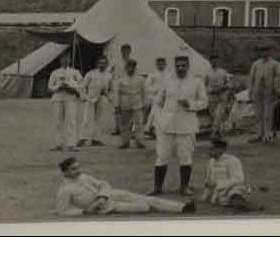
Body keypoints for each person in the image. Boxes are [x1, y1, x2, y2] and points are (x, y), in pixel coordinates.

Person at [55, 157, 194, 216]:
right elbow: (62, 210)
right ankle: (173, 209)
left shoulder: (83, 176)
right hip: (108, 207)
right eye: (73, 169)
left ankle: (182, 208)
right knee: (144, 207)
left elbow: (103, 183)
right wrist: (85, 212)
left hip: (111, 195)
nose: (78, 171)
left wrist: (102, 196)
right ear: (65, 172)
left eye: (78, 167)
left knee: (146, 199)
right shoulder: (65, 190)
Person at [150, 55, 208, 196]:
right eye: (178, 66)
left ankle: (184, 187)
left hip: (186, 125)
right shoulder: (167, 81)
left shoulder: (196, 82)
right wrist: (158, 120)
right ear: (174, 66)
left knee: (185, 156)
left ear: (188, 66)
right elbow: (157, 103)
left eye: (183, 65)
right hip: (166, 126)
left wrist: (190, 104)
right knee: (162, 156)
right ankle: (157, 188)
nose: (180, 68)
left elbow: (204, 102)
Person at [202, 138, 261, 211]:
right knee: (224, 201)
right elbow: (209, 181)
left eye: (211, 149)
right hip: (218, 192)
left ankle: (245, 205)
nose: (208, 152)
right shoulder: (210, 162)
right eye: (208, 150)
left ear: (221, 149)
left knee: (235, 196)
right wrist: (206, 194)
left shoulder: (232, 160)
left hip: (232, 188)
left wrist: (223, 187)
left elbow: (239, 179)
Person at [48, 52, 83, 151]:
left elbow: (82, 85)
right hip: (58, 98)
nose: (65, 60)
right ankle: (57, 143)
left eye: (67, 58)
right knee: (57, 121)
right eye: (63, 59)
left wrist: (71, 87)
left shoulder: (75, 72)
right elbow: (50, 87)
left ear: (70, 60)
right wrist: (59, 87)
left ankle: (71, 144)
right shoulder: (55, 73)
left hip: (70, 98)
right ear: (60, 60)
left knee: (71, 121)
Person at [247, 47, 280, 143]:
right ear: (260, 52)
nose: (264, 53)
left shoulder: (274, 64)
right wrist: (250, 92)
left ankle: (267, 135)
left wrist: (277, 90)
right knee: (258, 114)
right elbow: (251, 78)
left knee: (268, 114)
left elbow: (277, 78)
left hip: (269, 92)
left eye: (267, 51)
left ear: (270, 51)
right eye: (262, 51)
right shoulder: (256, 64)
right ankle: (259, 134)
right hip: (257, 92)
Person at [78, 56, 113, 147]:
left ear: (106, 64)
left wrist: (108, 97)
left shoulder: (109, 75)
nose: (102, 65)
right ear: (97, 64)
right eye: (100, 63)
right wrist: (84, 97)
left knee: (99, 119)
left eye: (104, 63)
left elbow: (111, 88)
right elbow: (83, 86)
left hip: (102, 98)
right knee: (87, 118)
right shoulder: (91, 74)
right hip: (91, 98)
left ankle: (96, 139)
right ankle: (82, 138)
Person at [112, 59, 147, 149]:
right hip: (125, 101)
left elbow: (144, 92)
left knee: (139, 123)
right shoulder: (120, 80)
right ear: (126, 68)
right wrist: (116, 105)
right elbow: (117, 93)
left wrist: (145, 104)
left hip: (137, 101)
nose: (130, 69)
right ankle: (125, 141)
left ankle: (139, 141)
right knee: (125, 123)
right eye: (129, 67)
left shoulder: (140, 79)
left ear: (135, 68)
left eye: (132, 67)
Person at [204, 54, 232, 139]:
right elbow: (204, 85)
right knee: (213, 115)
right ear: (210, 62)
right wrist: (210, 91)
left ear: (218, 61)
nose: (214, 62)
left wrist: (225, 88)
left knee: (218, 115)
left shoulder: (223, 72)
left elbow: (229, 83)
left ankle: (213, 134)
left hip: (221, 97)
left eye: (216, 60)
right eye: (212, 61)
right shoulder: (207, 73)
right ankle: (218, 133)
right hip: (212, 97)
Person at [109, 44, 133, 136]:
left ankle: (127, 127)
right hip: (117, 84)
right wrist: (112, 80)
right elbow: (108, 71)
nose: (125, 53)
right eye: (124, 51)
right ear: (121, 51)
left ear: (130, 51)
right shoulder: (115, 61)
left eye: (127, 51)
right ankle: (117, 127)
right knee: (117, 106)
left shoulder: (131, 62)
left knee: (127, 106)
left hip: (128, 85)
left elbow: (135, 73)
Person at [143, 57, 169, 139]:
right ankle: (151, 129)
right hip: (154, 96)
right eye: (159, 64)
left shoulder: (169, 74)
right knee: (155, 107)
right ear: (156, 65)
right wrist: (156, 90)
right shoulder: (152, 75)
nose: (160, 65)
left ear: (165, 64)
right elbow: (147, 87)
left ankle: (152, 129)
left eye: (162, 64)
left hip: (167, 97)